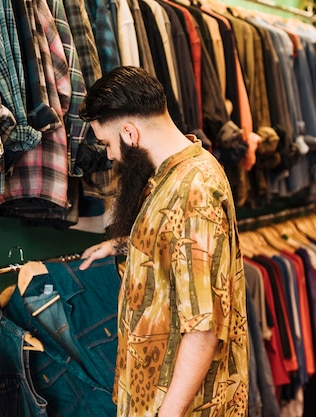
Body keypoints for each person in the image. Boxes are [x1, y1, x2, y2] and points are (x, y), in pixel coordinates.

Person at [78, 65, 249, 417]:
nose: (109, 156)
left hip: (178, 404)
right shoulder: (173, 176)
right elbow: (172, 243)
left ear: (129, 133)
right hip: (154, 394)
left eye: (109, 144)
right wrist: (123, 244)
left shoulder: (194, 191)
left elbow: (202, 329)